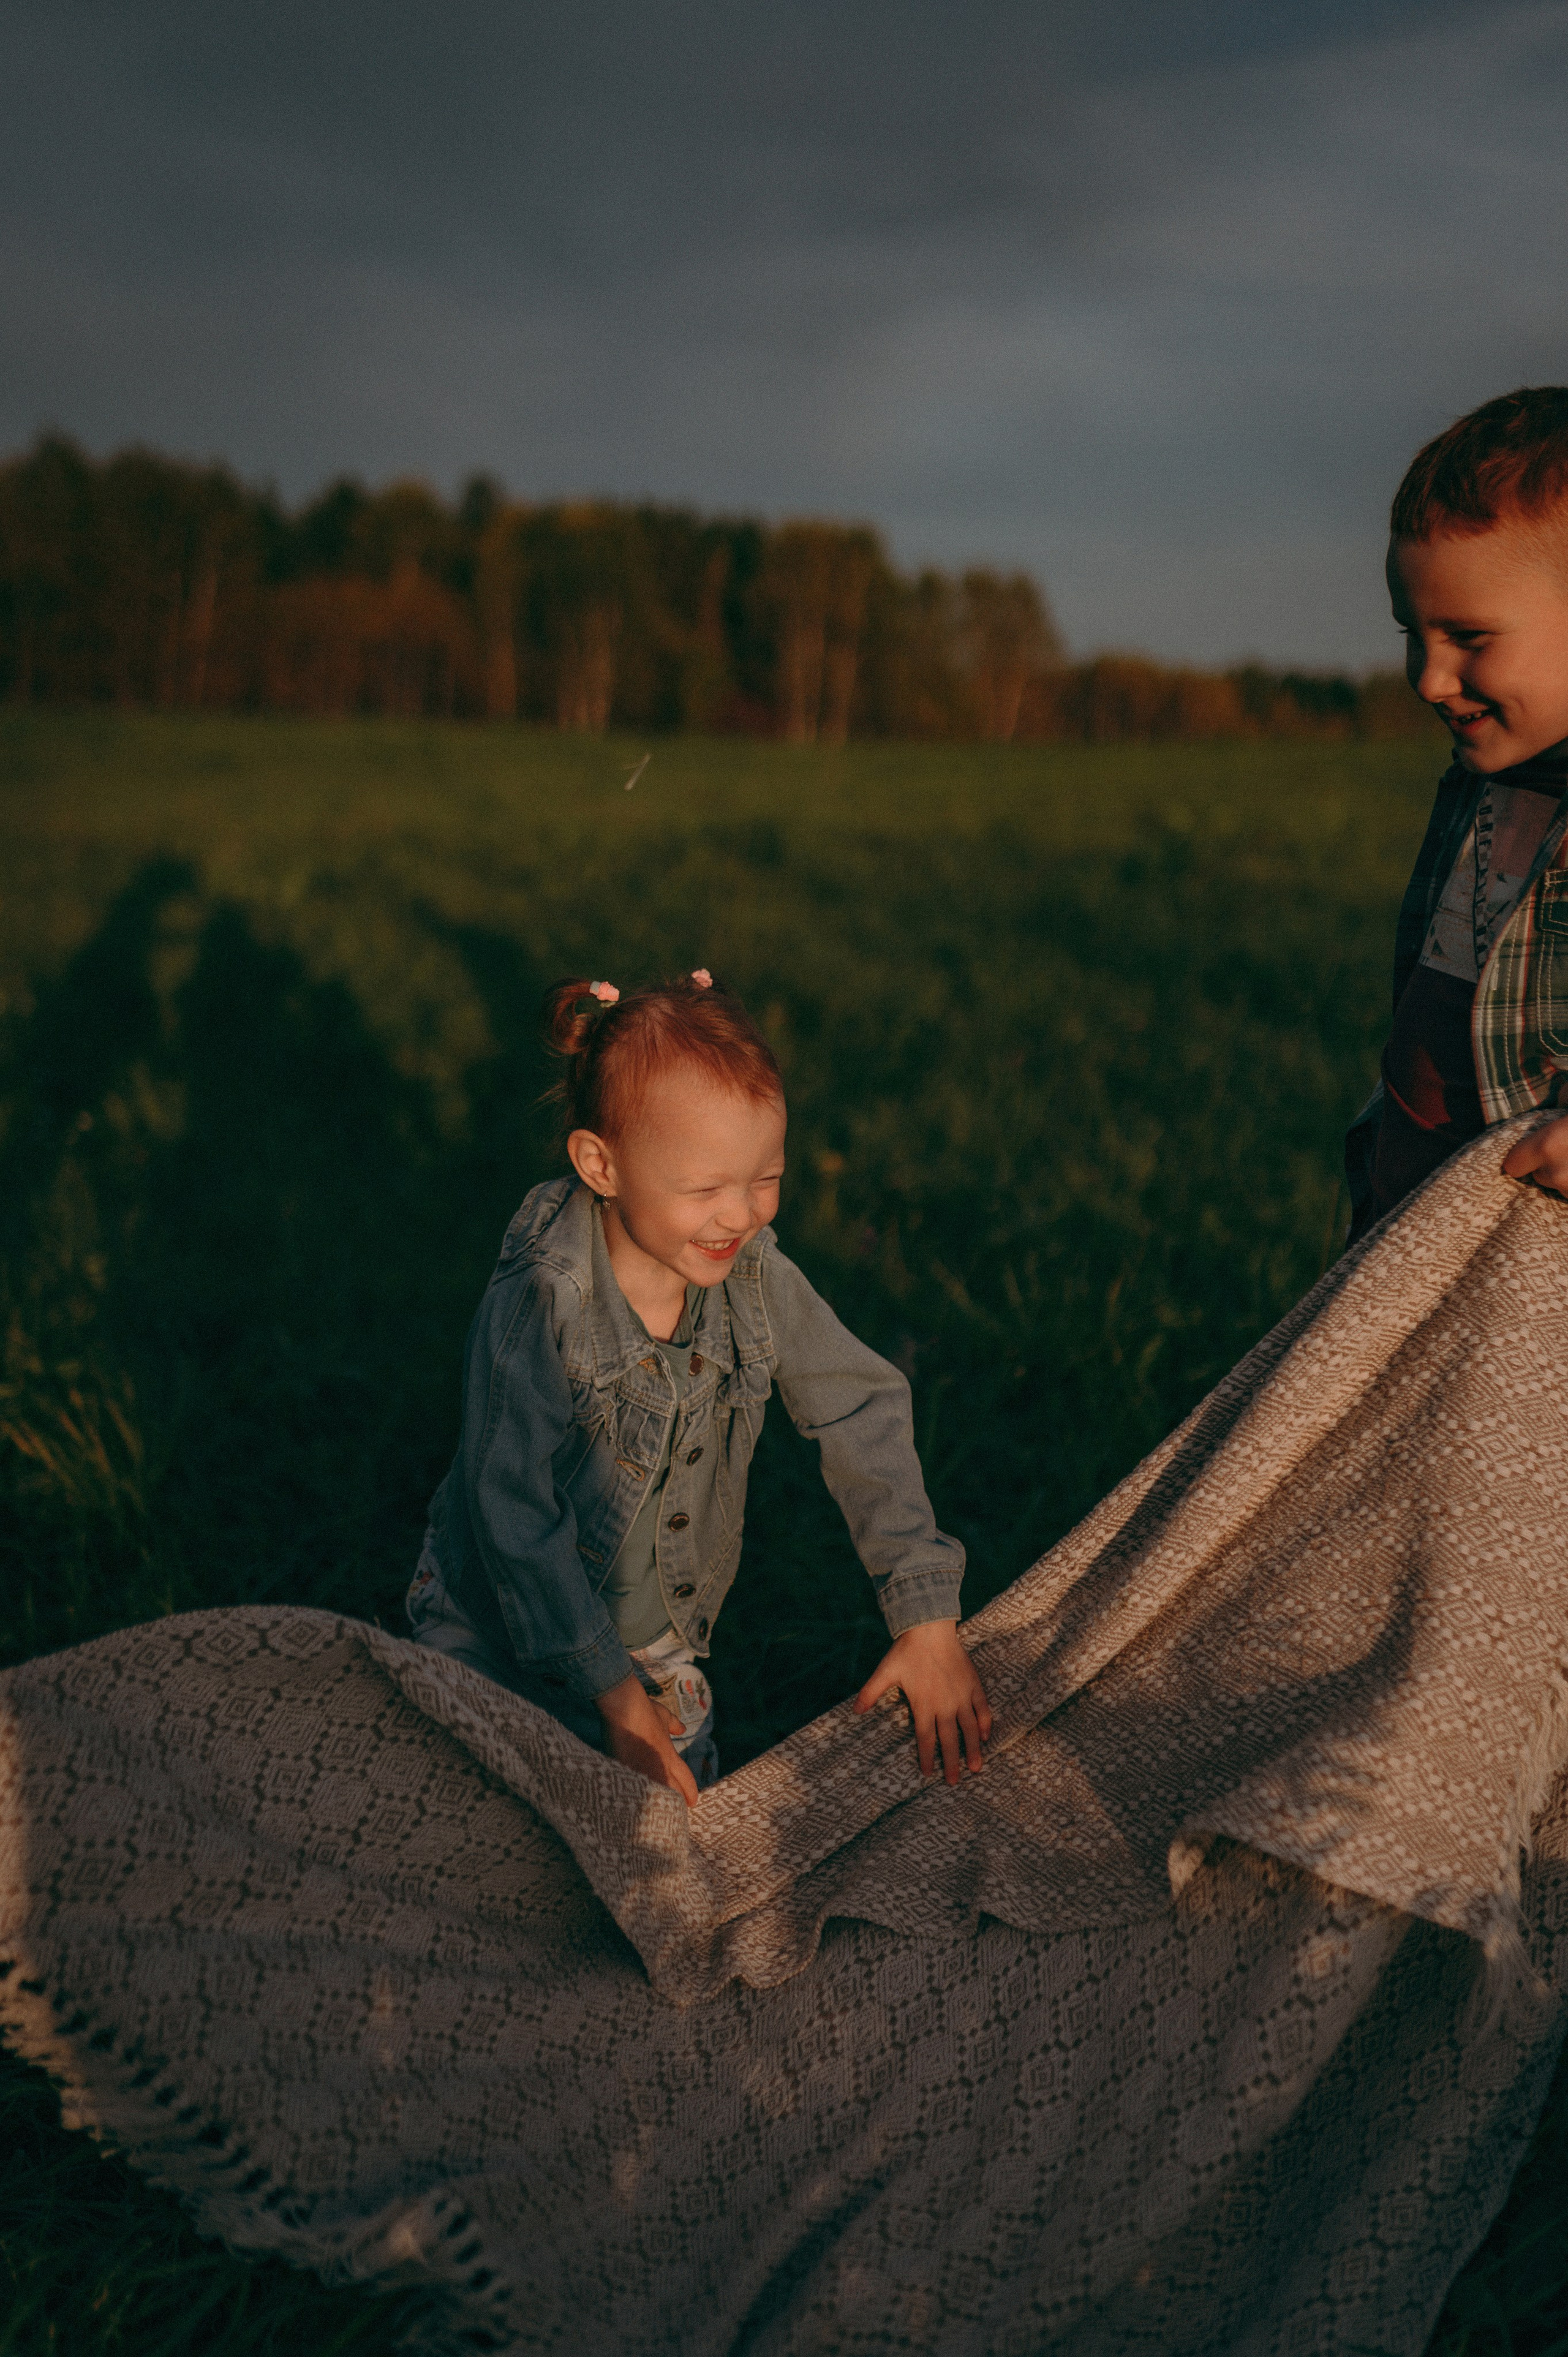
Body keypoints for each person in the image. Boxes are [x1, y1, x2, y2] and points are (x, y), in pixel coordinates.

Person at [407, 968, 990, 1805]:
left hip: (652, 1652)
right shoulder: (541, 1300)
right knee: (481, 1823)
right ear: (600, 1165)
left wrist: (926, 1614)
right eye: (705, 1188)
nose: (742, 1215)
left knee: (671, 1850)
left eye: (766, 1176)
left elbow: (859, 1402)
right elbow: (513, 1512)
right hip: (492, 1628)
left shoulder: (751, 1273)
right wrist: (617, 1705)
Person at [1348, 385, 1568, 1242]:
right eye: (1414, 635)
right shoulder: (1491, 783)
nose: (1430, 681)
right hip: (1413, 1213)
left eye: (1470, 640)